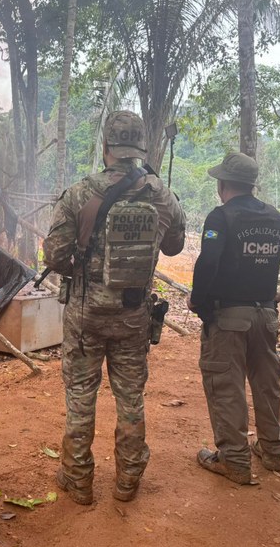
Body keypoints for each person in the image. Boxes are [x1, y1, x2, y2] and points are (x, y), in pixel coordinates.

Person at [43, 110, 186, 504]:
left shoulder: (80, 192)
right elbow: (174, 246)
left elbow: (54, 255)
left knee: (80, 397)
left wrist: (82, 268)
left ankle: (78, 479)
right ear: (140, 148)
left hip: (85, 315)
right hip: (134, 316)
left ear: (106, 147)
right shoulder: (161, 194)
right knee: (130, 400)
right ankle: (127, 481)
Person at [187, 152, 280, 485]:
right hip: (266, 316)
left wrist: (199, 305)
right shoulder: (275, 217)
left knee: (226, 387)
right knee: (266, 383)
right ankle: (272, 452)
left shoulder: (220, 218)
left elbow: (207, 262)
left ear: (223, 184)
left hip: (229, 317)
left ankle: (234, 461)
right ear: (250, 184)